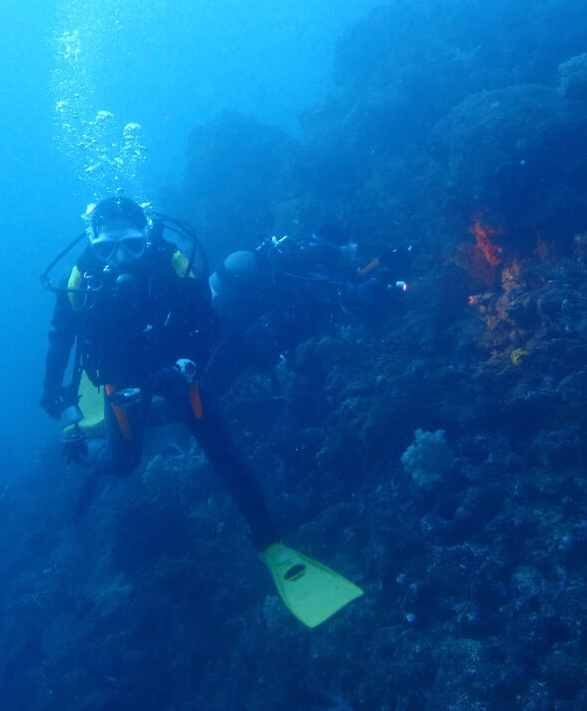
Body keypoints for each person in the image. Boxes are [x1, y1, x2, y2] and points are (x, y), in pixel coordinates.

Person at [40, 196, 363, 628]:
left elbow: (207, 320)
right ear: (94, 245)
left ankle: (272, 545)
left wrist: (188, 361)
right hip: (119, 383)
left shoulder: (171, 260)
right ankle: (85, 448)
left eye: (132, 246)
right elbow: (61, 337)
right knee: (121, 462)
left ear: (147, 238)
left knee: (223, 450)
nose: (121, 260)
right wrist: (57, 398)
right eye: (108, 248)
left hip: (179, 373)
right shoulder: (81, 278)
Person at [207, 223, 413, 395]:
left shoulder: (301, 266)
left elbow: (336, 284)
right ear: (331, 251)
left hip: (241, 340)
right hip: (246, 348)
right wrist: (384, 277)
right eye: (348, 251)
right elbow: (352, 297)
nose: (350, 257)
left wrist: (376, 266)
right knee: (205, 389)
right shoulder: (308, 280)